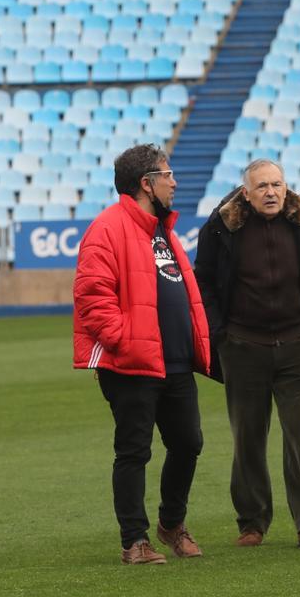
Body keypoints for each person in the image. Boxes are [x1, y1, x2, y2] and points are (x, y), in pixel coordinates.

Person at [72, 144, 211, 565]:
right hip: (132, 363)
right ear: (146, 184)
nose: (175, 182)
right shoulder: (107, 228)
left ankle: (171, 523)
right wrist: (126, 341)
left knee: (188, 443)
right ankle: (134, 540)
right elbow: (92, 297)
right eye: (168, 175)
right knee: (134, 451)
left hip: (173, 362)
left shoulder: (161, 229)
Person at [194, 159, 300, 549]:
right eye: (262, 187)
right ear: (246, 192)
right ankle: (252, 523)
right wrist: (220, 334)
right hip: (242, 346)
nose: (271, 192)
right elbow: (203, 280)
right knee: (248, 438)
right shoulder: (221, 226)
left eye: (277, 184)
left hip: (298, 344)